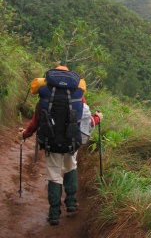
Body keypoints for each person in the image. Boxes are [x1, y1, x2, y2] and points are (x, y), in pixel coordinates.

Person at [18, 65, 103, 226]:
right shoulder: (78, 94)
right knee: (71, 166)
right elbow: (85, 120)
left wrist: (24, 135)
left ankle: (54, 214)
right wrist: (98, 118)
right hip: (71, 142)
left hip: (51, 143)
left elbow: (36, 122)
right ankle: (71, 203)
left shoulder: (45, 94)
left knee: (54, 174)